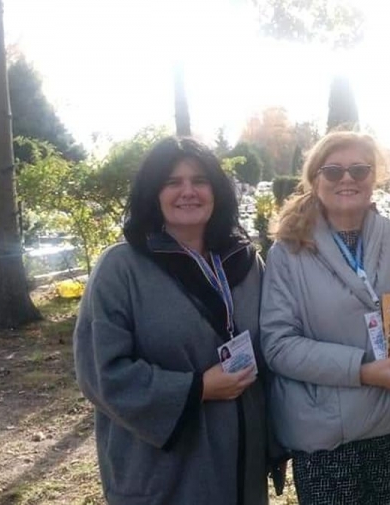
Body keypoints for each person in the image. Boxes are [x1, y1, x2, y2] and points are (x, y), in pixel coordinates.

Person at [74, 137, 281, 505]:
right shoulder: (121, 268)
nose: (188, 191)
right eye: (172, 182)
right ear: (153, 193)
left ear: (216, 191)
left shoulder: (246, 263)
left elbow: (276, 342)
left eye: (200, 180)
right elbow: (102, 374)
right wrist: (197, 389)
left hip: (242, 464)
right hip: (164, 468)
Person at [260, 131, 390, 504]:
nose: (347, 179)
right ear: (315, 179)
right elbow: (278, 346)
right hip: (326, 437)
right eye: (333, 171)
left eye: (359, 170)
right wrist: (362, 371)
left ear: (373, 176)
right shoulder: (289, 251)